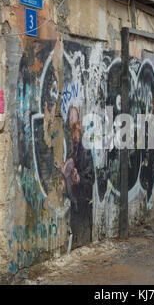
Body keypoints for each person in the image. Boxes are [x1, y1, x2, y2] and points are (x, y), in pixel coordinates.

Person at [62, 106, 95, 248]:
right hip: (71, 210)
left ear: (80, 126)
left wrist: (79, 179)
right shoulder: (67, 149)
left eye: (75, 128)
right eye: (70, 129)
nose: (74, 134)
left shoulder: (85, 149)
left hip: (82, 211)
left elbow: (90, 179)